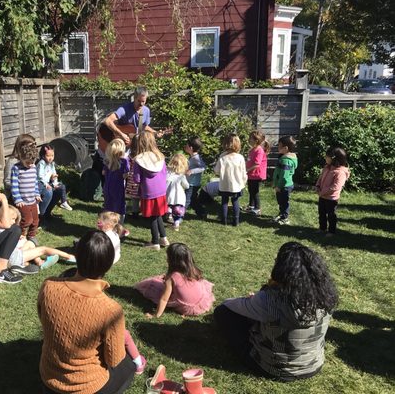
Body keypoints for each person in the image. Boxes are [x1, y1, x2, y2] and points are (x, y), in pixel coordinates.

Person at [213, 242, 338, 381]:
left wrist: (253, 301)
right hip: (313, 365)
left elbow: (230, 305)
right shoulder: (327, 297)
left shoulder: (270, 299)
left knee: (222, 312)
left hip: (273, 369)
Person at [38, 230, 136, 394]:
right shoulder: (110, 309)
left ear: (77, 255)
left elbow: (44, 320)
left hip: (49, 377)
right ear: (108, 264)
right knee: (128, 366)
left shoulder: (48, 286)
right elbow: (114, 359)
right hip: (87, 386)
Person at [135, 243, 215, 318]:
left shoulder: (172, 278)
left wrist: (156, 315)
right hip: (201, 303)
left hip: (186, 308)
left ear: (172, 260)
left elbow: (164, 299)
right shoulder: (193, 270)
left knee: (153, 286)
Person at [0, 206, 74, 275]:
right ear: (5, 217)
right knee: (43, 249)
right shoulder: (5, 228)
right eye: (13, 219)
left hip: (7, 257)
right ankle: (69, 256)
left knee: (29, 243)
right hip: (12, 257)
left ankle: (36, 262)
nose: (14, 222)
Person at [132, 132, 169, 250]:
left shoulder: (138, 160)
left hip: (149, 191)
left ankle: (155, 242)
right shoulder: (160, 157)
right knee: (157, 215)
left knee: (153, 216)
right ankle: (164, 238)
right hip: (161, 190)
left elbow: (137, 179)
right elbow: (165, 173)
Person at [10, 140, 41, 244]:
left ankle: (31, 235)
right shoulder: (16, 168)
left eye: (32, 162)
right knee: (27, 220)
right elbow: (14, 185)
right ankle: (20, 235)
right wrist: (17, 199)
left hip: (32, 200)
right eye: (27, 162)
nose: (30, 164)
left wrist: (37, 194)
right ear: (21, 157)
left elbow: (35, 182)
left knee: (35, 221)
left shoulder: (33, 168)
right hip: (22, 201)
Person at [315, 147, 350, 237]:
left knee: (331, 215)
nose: (325, 158)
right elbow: (321, 177)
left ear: (334, 158)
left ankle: (331, 231)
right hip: (322, 196)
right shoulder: (327, 167)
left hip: (331, 198)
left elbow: (335, 187)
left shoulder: (340, 172)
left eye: (327, 157)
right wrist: (318, 186)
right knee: (321, 213)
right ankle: (322, 228)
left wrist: (323, 192)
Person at [213, 134, 247, 226]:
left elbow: (216, 171)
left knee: (224, 201)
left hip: (224, 184)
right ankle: (236, 221)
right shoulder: (240, 158)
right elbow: (243, 172)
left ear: (225, 144)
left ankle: (224, 220)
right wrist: (243, 182)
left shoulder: (222, 157)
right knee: (235, 201)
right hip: (236, 185)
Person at [37, 144, 72, 228]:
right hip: (40, 184)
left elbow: (54, 174)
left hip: (48, 183)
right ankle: (41, 217)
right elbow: (40, 176)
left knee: (61, 187)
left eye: (52, 155)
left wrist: (54, 182)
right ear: (43, 155)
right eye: (48, 155)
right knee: (49, 192)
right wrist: (47, 184)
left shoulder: (52, 164)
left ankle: (63, 202)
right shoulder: (41, 163)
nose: (50, 158)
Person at [103, 139, 130, 225]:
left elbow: (103, 172)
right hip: (118, 188)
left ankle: (107, 226)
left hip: (107, 188)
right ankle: (118, 227)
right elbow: (125, 175)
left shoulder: (107, 161)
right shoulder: (124, 161)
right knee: (119, 209)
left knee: (108, 207)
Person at [272, 136, 298, 225]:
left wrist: (279, 186)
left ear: (285, 148)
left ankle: (285, 218)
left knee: (284, 202)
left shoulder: (286, 161)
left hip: (284, 186)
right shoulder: (284, 158)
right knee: (280, 201)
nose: (277, 147)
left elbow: (284, 176)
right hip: (283, 185)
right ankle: (281, 214)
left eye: (279, 145)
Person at [4, 133, 36, 200]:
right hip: (14, 196)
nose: (33, 147)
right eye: (31, 145)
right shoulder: (12, 161)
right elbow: (7, 182)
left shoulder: (30, 159)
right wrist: (21, 186)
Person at [245, 131, 269, 216]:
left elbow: (257, 164)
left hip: (256, 175)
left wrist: (246, 170)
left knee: (255, 192)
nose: (249, 140)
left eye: (250, 138)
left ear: (256, 140)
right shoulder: (252, 149)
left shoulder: (259, 150)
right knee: (251, 190)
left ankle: (257, 208)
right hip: (251, 174)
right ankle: (251, 206)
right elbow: (249, 161)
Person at [166, 153, 190, 231]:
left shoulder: (167, 172)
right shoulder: (181, 176)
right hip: (178, 196)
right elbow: (187, 186)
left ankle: (169, 215)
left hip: (168, 194)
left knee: (169, 205)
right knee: (177, 210)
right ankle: (176, 223)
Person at [184, 137, 206, 212]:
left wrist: (191, 171)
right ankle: (202, 213)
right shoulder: (192, 157)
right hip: (191, 183)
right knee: (193, 201)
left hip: (192, 185)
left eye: (186, 145)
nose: (185, 146)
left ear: (191, 148)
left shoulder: (196, 158)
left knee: (186, 201)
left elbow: (203, 167)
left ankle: (179, 216)